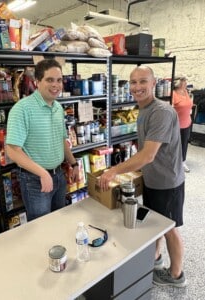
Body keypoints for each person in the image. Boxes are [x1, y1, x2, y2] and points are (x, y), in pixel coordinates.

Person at [99, 66, 186, 288]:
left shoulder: (161, 112)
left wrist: (113, 171)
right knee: (155, 222)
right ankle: (155, 259)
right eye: (133, 82)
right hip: (153, 179)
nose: (137, 87)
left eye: (143, 82)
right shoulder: (144, 109)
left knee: (169, 228)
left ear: (154, 83)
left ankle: (177, 276)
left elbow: (147, 155)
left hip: (167, 182)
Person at [6, 59, 79, 221]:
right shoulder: (22, 109)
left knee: (59, 220)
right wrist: (42, 173)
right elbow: (12, 150)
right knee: (41, 227)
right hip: (35, 180)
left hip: (59, 176)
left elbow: (61, 139)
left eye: (59, 80)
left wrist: (73, 164)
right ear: (37, 82)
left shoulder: (58, 108)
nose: (56, 85)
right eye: (50, 80)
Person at [172, 75, 193, 172]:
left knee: (184, 144)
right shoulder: (173, 94)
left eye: (186, 81)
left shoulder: (185, 92)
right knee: (175, 145)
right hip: (176, 125)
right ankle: (173, 163)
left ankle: (183, 162)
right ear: (179, 83)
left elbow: (189, 104)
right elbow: (170, 109)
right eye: (184, 82)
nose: (186, 83)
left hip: (187, 122)